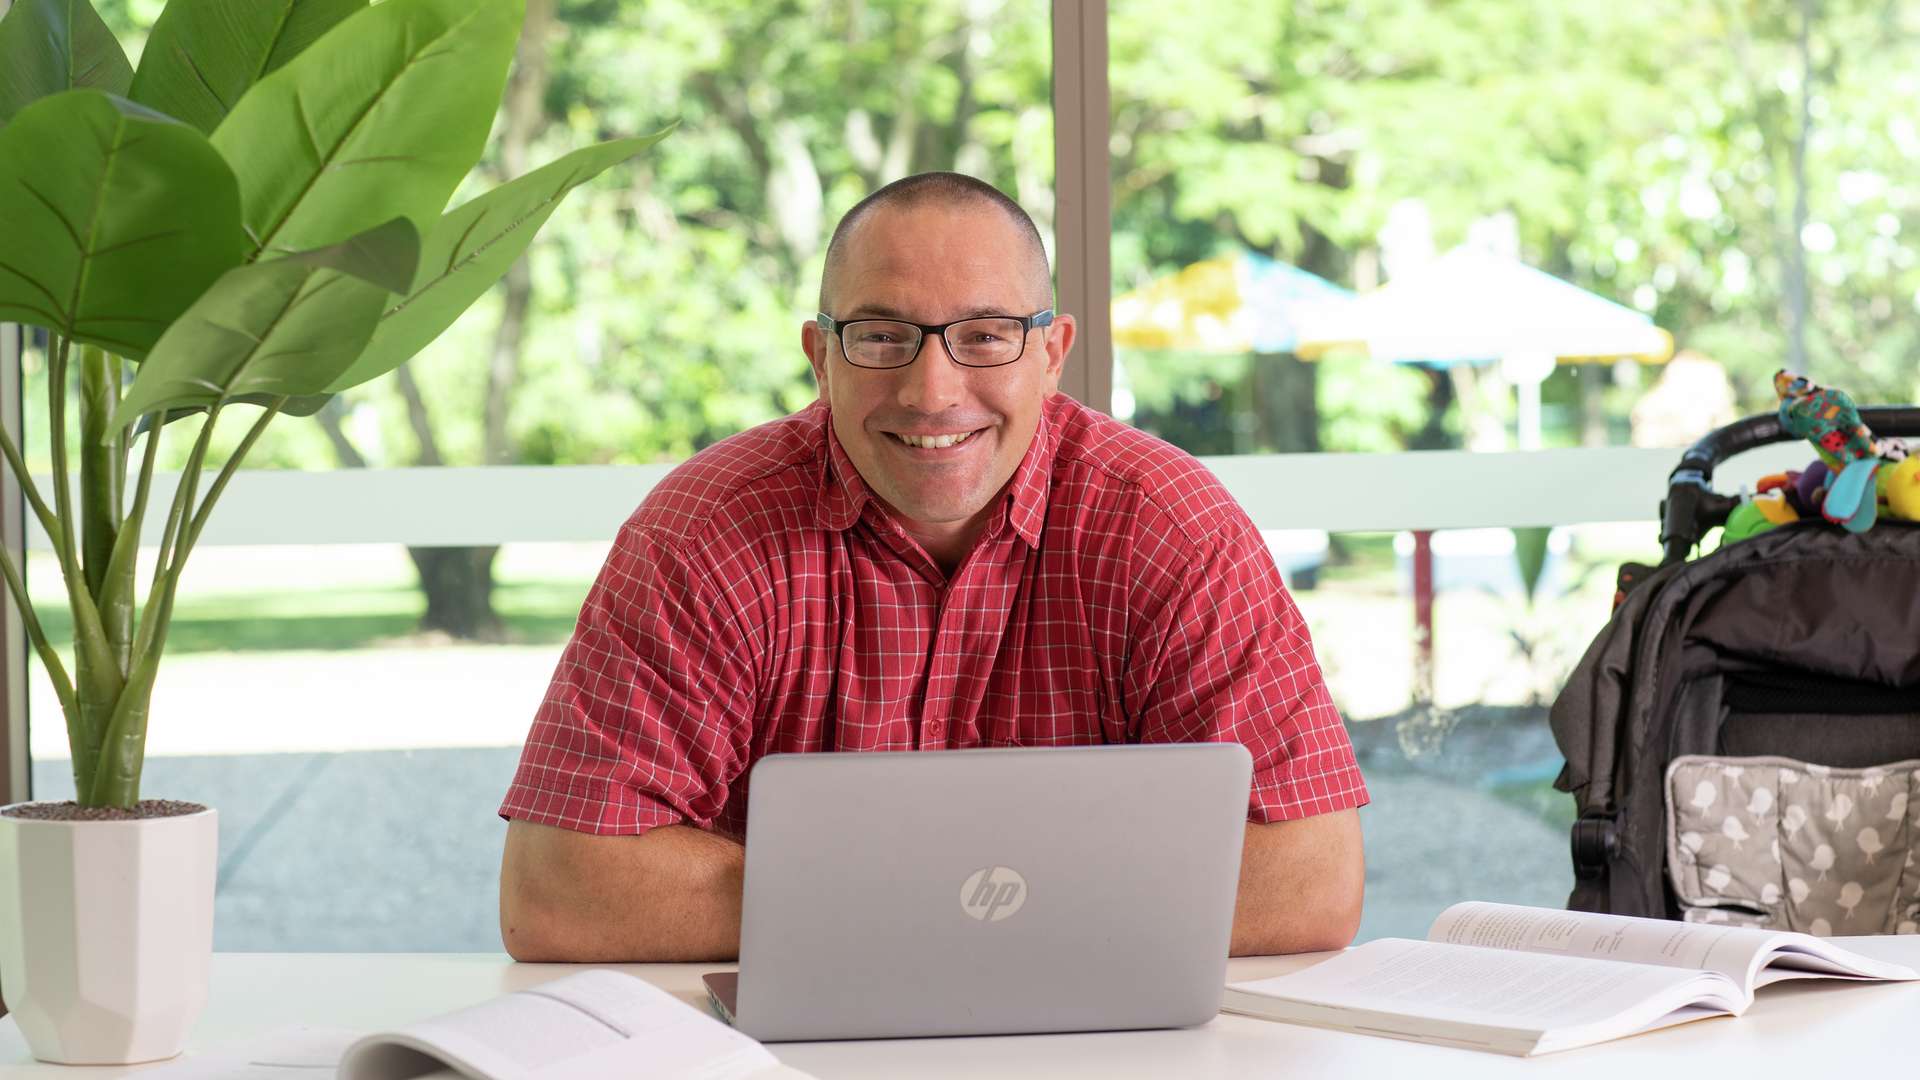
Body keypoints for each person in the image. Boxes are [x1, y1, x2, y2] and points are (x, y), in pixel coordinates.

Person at [497, 172, 1368, 962]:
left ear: (1052, 353)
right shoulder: (706, 535)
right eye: (882, 336)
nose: (932, 391)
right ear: (820, 354)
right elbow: (560, 889)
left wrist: (866, 906)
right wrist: (1010, 903)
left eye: (985, 336)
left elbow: (1310, 879)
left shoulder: (1168, 528)